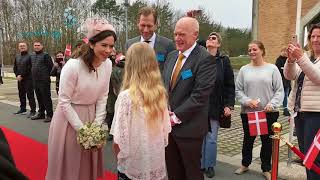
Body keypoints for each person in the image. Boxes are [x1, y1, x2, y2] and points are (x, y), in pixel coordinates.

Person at [46, 18, 116, 180]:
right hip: (69, 121)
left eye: (111, 46)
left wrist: (97, 126)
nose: (108, 50)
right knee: (69, 167)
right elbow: (64, 101)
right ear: (92, 44)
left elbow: (103, 96)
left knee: (86, 167)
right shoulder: (73, 66)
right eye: (103, 45)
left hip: (92, 117)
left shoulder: (108, 65)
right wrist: (82, 129)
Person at [163, 17, 216, 180]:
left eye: (182, 34)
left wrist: (175, 117)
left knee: (192, 173)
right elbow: (165, 88)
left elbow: (200, 95)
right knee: (173, 172)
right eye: (175, 34)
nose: (177, 38)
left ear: (195, 35)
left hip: (190, 130)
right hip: (168, 130)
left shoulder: (205, 59)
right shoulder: (171, 56)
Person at [110, 42, 171, 180]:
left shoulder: (126, 97)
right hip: (155, 166)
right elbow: (165, 133)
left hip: (132, 168)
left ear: (130, 65)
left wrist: (120, 163)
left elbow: (118, 141)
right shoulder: (160, 94)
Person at [235, 40, 284, 180]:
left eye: (254, 49)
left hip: (268, 112)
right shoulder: (244, 70)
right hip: (248, 112)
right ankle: (245, 164)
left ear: (262, 50)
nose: (251, 52)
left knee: (267, 141)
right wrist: (247, 101)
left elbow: (279, 91)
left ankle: (266, 168)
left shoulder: (272, 69)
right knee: (248, 140)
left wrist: (272, 104)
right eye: (249, 50)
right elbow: (238, 90)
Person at [284, 23, 320, 180]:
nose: (316, 39)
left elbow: (317, 77)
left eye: (319, 36)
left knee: (315, 158)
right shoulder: (308, 57)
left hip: (316, 114)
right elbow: (289, 76)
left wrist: (300, 57)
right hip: (300, 112)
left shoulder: (305, 58)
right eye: (313, 36)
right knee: (306, 155)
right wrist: (291, 60)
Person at [201, 32, 235, 178]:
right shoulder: (199, 58)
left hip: (215, 105)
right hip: (199, 105)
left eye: (214, 38)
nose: (210, 39)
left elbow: (230, 85)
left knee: (211, 137)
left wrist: (228, 105)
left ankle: (209, 165)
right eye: (209, 37)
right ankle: (200, 164)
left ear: (219, 44)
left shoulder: (223, 61)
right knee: (199, 137)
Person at [125, 6, 175, 73]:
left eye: (149, 26)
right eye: (143, 25)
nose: (146, 30)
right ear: (138, 23)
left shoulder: (168, 45)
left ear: (156, 25)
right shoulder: (129, 44)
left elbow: (170, 72)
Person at [30, 41, 54, 123]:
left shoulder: (46, 55)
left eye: (38, 45)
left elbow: (51, 67)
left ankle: (50, 115)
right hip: (35, 81)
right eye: (35, 45)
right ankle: (41, 113)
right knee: (39, 98)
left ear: (42, 46)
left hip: (44, 81)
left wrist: (44, 75)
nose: (36, 47)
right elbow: (31, 67)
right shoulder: (32, 56)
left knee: (46, 98)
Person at [13, 42, 36, 118]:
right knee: (21, 94)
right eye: (20, 46)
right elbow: (15, 67)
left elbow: (30, 67)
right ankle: (23, 109)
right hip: (19, 79)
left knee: (30, 95)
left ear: (26, 47)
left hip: (28, 79)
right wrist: (17, 75)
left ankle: (33, 111)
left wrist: (22, 75)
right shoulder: (17, 56)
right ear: (18, 47)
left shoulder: (30, 56)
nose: (22, 47)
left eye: (23, 46)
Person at [105, 49, 124, 141]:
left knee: (118, 110)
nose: (112, 53)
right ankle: (110, 130)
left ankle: (118, 130)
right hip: (108, 91)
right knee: (110, 111)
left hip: (117, 90)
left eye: (113, 52)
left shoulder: (119, 62)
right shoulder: (104, 62)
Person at [275, 47, 291, 116]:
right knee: (280, 95)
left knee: (286, 95)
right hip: (280, 81)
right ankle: (277, 108)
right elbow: (278, 69)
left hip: (287, 81)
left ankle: (285, 109)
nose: (285, 52)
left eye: (286, 51)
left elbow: (290, 70)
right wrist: (284, 69)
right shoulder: (279, 60)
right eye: (283, 51)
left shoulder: (288, 60)